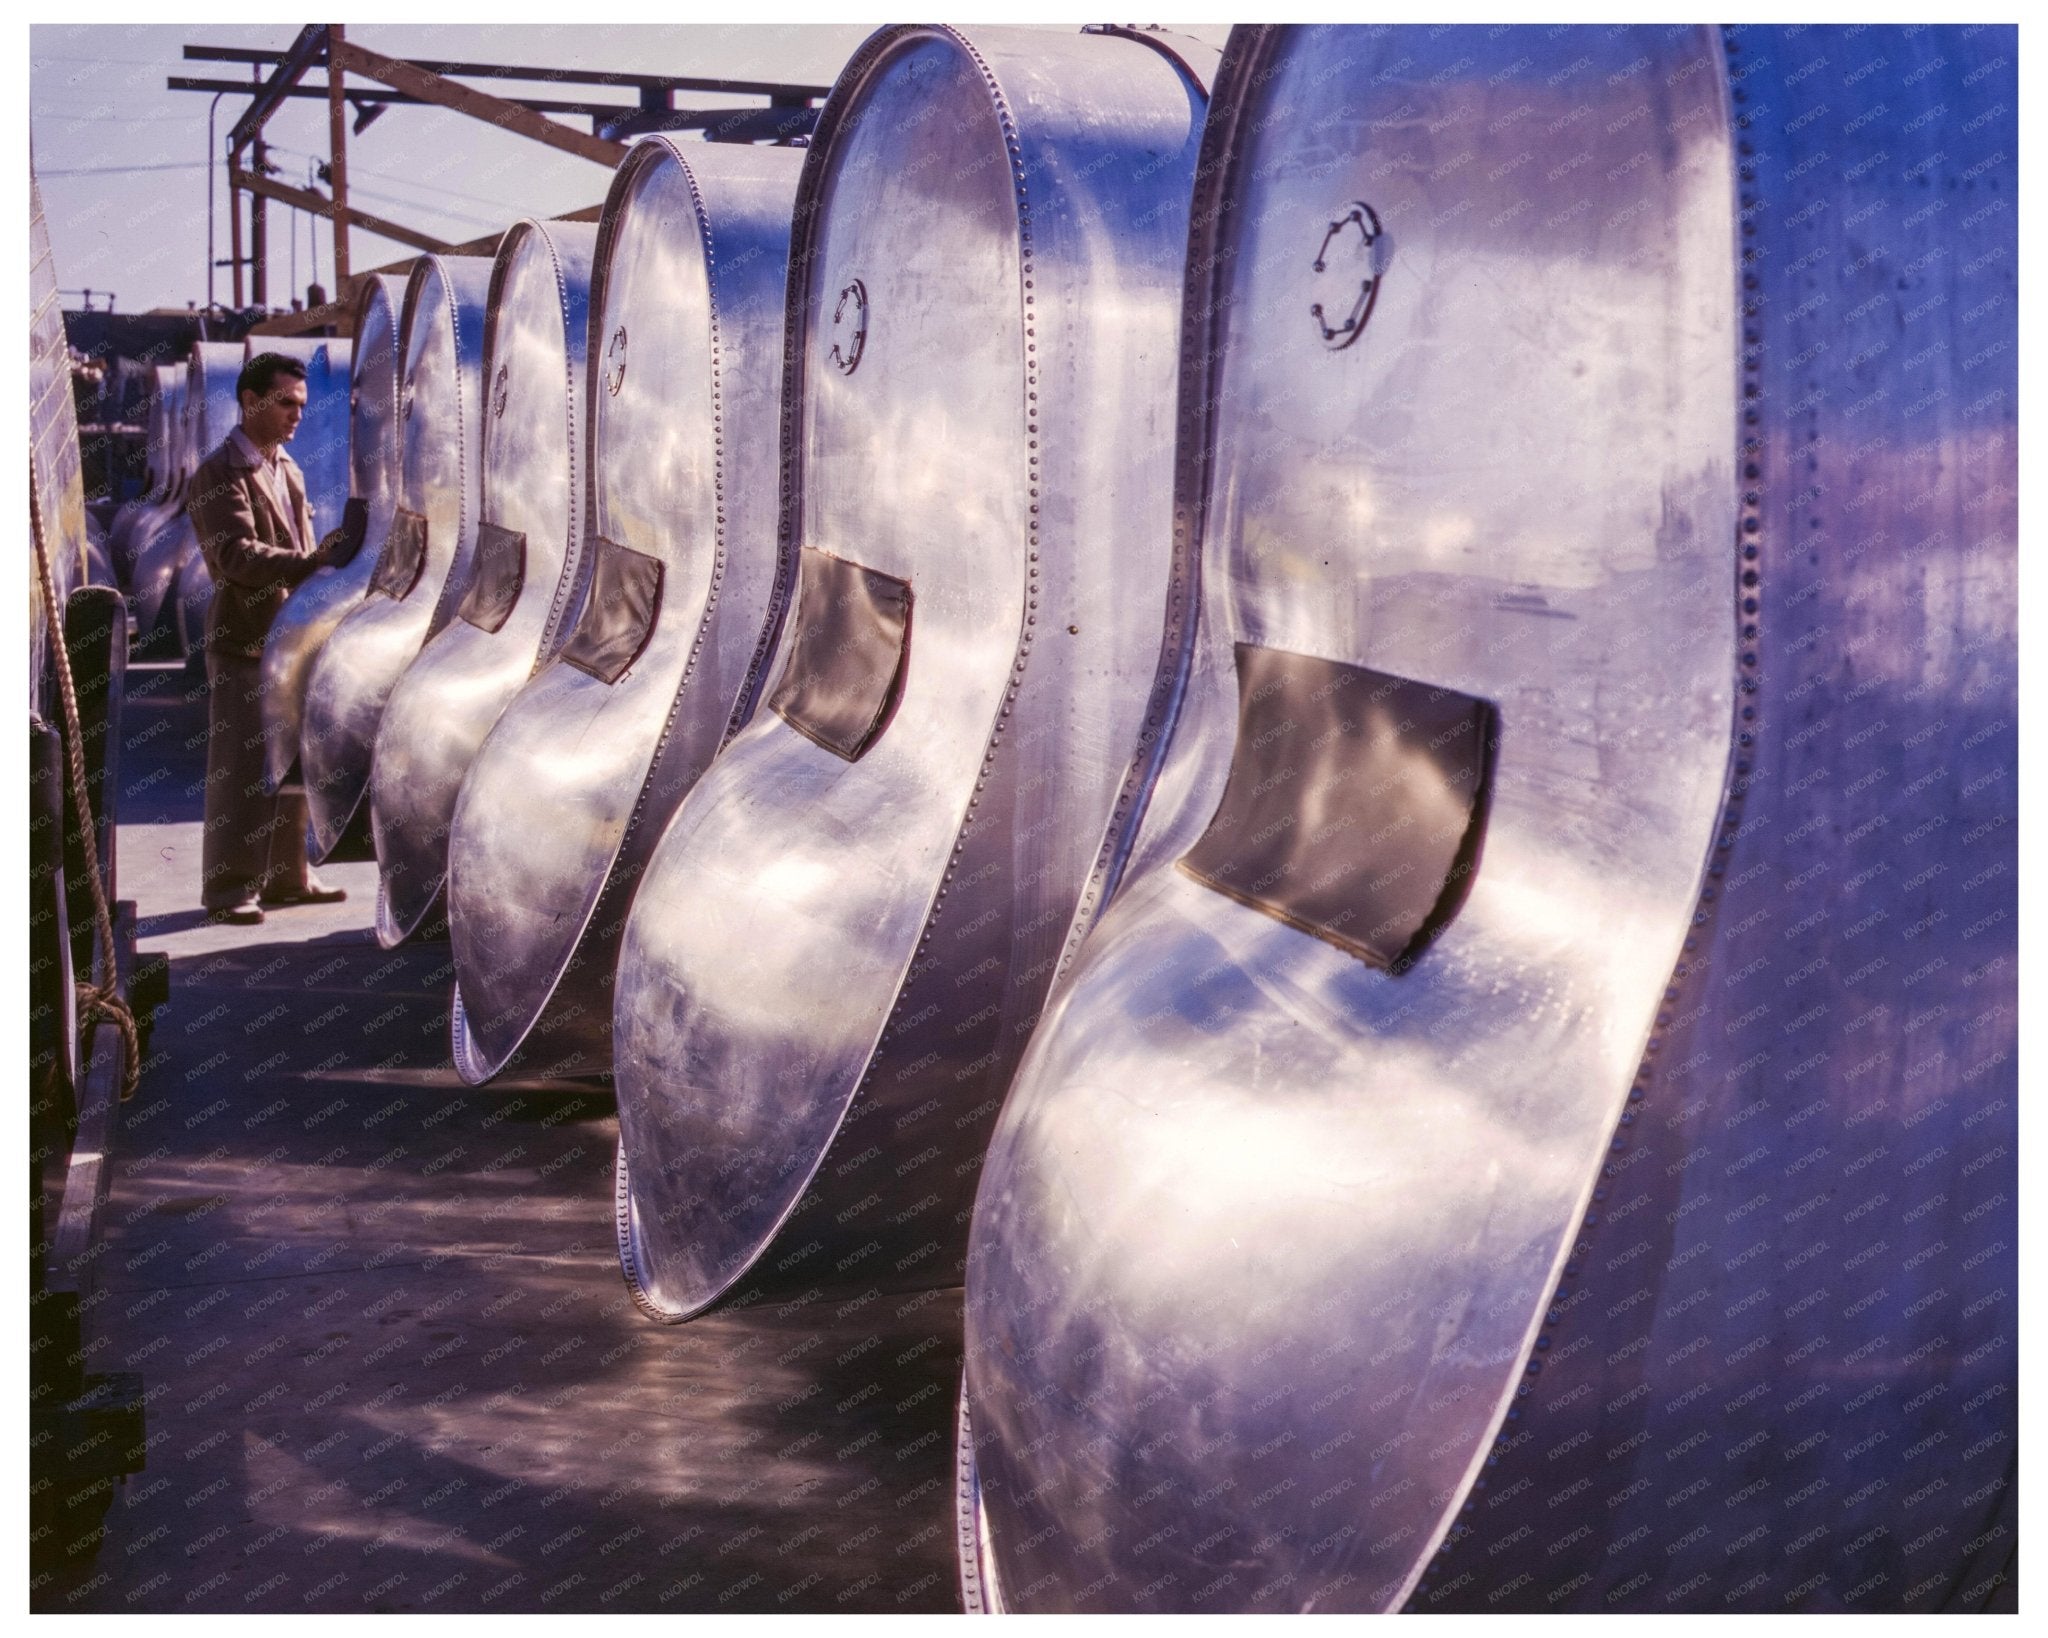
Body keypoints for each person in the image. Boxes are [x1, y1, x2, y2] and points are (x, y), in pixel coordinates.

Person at [188, 351, 348, 925]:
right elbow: (234, 556)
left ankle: (288, 876)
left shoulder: (288, 469)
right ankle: (230, 890)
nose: (296, 415)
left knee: (291, 763)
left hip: (290, 642)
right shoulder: (218, 473)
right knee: (240, 769)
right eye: (285, 402)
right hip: (245, 642)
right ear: (250, 401)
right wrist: (310, 563)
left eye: (302, 405)